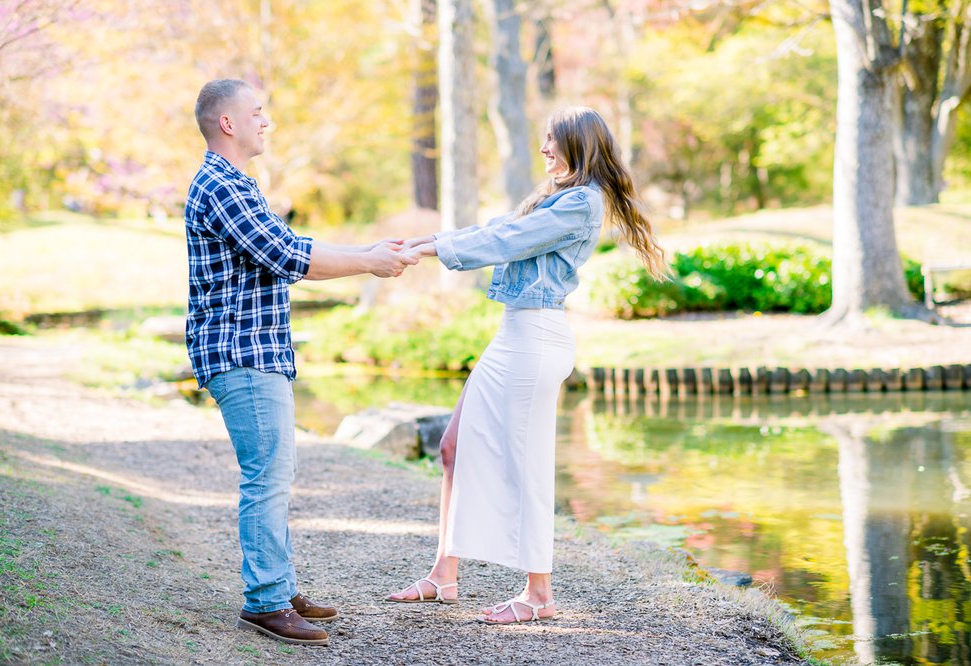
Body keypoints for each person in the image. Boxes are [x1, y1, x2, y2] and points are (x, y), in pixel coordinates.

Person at [386, 107, 667, 623]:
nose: (543, 150)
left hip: (536, 339)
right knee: (453, 447)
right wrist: (433, 241)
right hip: (513, 334)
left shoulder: (583, 203)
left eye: (551, 141)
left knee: (528, 466)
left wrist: (435, 249)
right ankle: (443, 575)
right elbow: (500, 228)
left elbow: (507, 242)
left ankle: (540, 595)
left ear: (579, 147)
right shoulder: (556, 198)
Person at [185, 78, 415, 646]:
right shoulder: (222, 185)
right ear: (229, 124)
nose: (268, 122)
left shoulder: (237, 183)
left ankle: (279, 587)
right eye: (258, 112)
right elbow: (288, 256)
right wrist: (369, 263)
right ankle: (264, 601)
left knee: (275, 474)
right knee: (267, 477)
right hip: (242, 352)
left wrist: (366, 252)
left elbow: (287, 242)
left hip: (254, 350)